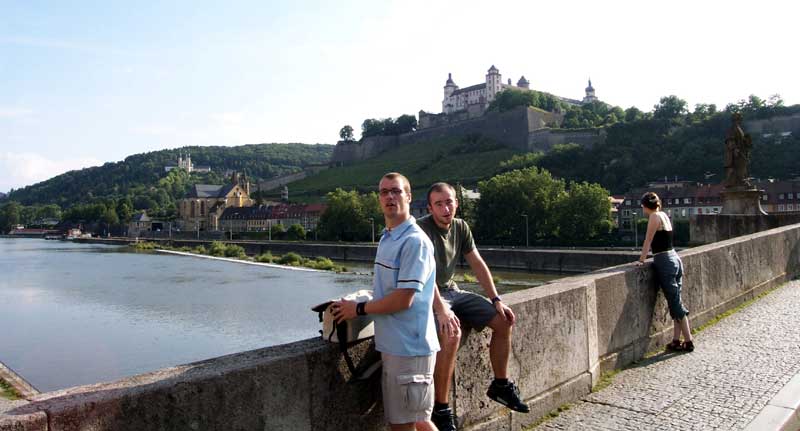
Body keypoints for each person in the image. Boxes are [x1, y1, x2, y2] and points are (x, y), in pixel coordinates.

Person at [332, 173, 457, 431]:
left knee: (404, 425)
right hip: (396, 346)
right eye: (384, 192)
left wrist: (357, 309)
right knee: (419, 420)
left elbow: (403, 299)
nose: (390, 196)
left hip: (409, 350)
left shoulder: (414, 242)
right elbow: (395, 288)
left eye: (396, 191)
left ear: (409, 197)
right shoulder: (388, 237)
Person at [417, 182, 529, 431]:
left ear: (457, 203)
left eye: (449, 202)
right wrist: (441, 310)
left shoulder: (461, 227)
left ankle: (501, 385)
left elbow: (477, 263)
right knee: (450, 333)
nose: (446, 209)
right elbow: (423, 275)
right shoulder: (421, 230)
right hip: (429, 294)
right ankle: (441, 409)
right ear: (430, 208)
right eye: (439, 204)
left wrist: (496, 299)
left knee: (504, 321)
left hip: (452, 291)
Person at [637, 192, 694, 352]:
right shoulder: (664, 215)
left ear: (645, 206)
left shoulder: (654, 217)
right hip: (675, 258)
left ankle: (688, 340)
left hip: (664, 260)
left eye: (642, 206)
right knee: (675, 300)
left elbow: (648, 240)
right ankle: (676, 340)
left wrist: (641, 260)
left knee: (676, 304)